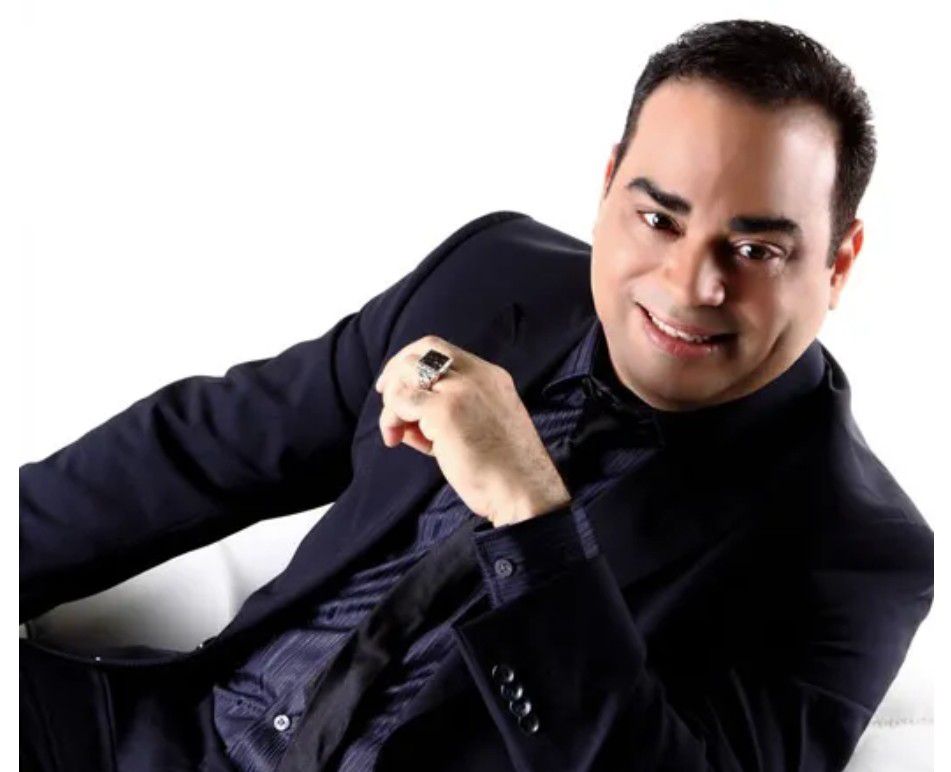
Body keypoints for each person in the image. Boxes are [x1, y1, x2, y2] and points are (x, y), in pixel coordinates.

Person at [20, 18, 934, 772]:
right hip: (167, 733)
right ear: (607, 186)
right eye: (657, 217)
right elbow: (201, 450)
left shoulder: (854, 550)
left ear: (837, 262)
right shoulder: (494, 277)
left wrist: (532, 518)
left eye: (755, 249)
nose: (689, 284)